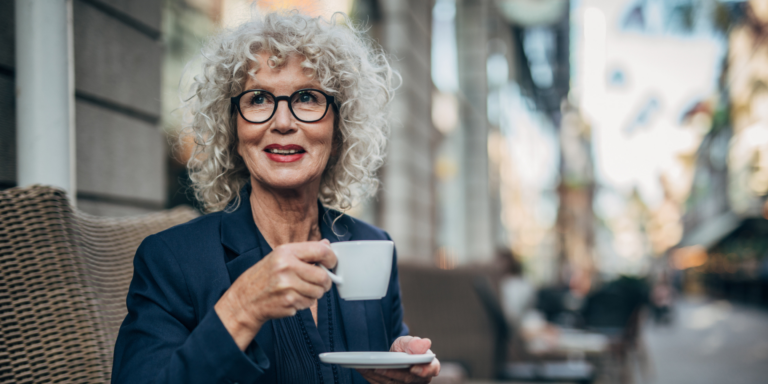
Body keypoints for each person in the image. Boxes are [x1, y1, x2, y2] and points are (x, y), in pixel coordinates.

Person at [112, 12, 440, 384]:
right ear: (232, 130)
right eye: (257, 99)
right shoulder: (172, 261)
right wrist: (242, 309)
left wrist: (399, 372)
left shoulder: (372, 247)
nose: (283, 122)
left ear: (339, 129)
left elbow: (385, 362)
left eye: (306, 97)